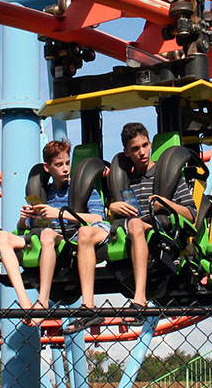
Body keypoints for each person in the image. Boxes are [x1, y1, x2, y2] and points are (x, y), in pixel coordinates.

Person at [68, 122, 195, 333]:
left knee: (136, 224)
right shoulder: (125, 180)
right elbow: (106, 217)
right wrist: (112, 207)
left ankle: (140, 301)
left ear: (150, 144)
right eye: (136, 149)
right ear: (127, 152)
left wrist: (166, 204)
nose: (142, 152)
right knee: (85, 232)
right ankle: (88, 308)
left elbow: (191, 213)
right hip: (124, 231)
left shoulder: (169, 176)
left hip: (162, 235)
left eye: (145, 145)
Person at [0, 139, 107, 322]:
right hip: (43, 233)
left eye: (67, 163)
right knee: (2, 237)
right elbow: (24, 229)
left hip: (69, 236)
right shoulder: (44, 193)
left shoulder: (84, 190)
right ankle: (24, 301)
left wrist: (61, 214)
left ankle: (43, 302)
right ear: (47, 168)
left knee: (47, 235)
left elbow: (98, 218)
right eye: (59, 165)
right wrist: (24, 217)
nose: (65, 169)